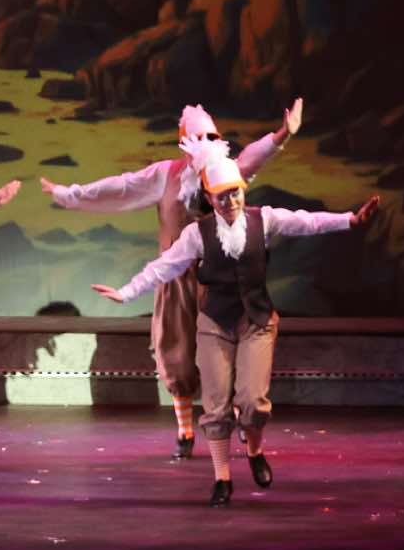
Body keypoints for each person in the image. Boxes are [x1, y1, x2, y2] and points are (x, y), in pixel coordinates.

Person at [92, 140, 379, 505]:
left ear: (243, 190)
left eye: (235, 193)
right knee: (216, 407)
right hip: (215, 324)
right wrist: (126, 292)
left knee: (253, 402)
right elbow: (163, 267)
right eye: (221, 196)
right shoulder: (197, 234)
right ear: (210, 199)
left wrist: (349, 220)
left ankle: (255, 452)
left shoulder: (264, 219)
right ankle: (222, 479)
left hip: (256, 321)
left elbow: (305, 222)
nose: (230, 201)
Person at [41, 99, 302, 457]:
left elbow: (253, 159)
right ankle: (184, 429)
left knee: (229, 348)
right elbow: (120, 187)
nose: (206, 143)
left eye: (212, 137)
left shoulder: (225, 171)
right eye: (199, 137)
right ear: (184, 142)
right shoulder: (165, 175)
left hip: (220, 280)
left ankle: (239, 418)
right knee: (176, 351)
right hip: (176, 279)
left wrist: (282, 135)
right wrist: (68, 194)